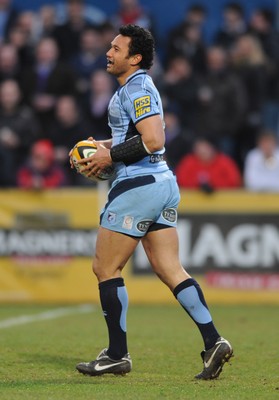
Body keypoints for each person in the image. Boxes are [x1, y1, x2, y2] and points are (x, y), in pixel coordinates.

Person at [71, 24, 233, 380]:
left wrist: (110, 159)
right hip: (160, 182)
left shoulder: (139, 86)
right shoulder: (132, 88)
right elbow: (136, 138)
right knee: (170, 269)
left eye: (116, 48)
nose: (108, 53)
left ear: (135, 57)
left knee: (105, 268)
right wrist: (103, 148)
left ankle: (116, 355)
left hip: (139, 184)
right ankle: (213, 341)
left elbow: (153, 139)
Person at [175, 137, 242, 192]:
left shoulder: (224, 162)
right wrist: (199, 185)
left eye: (206, 148)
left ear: (212, 148)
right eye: (199, 149)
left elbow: (234, 181)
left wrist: (213, 184)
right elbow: (180, 181)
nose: (203, 151)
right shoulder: (188, 162)